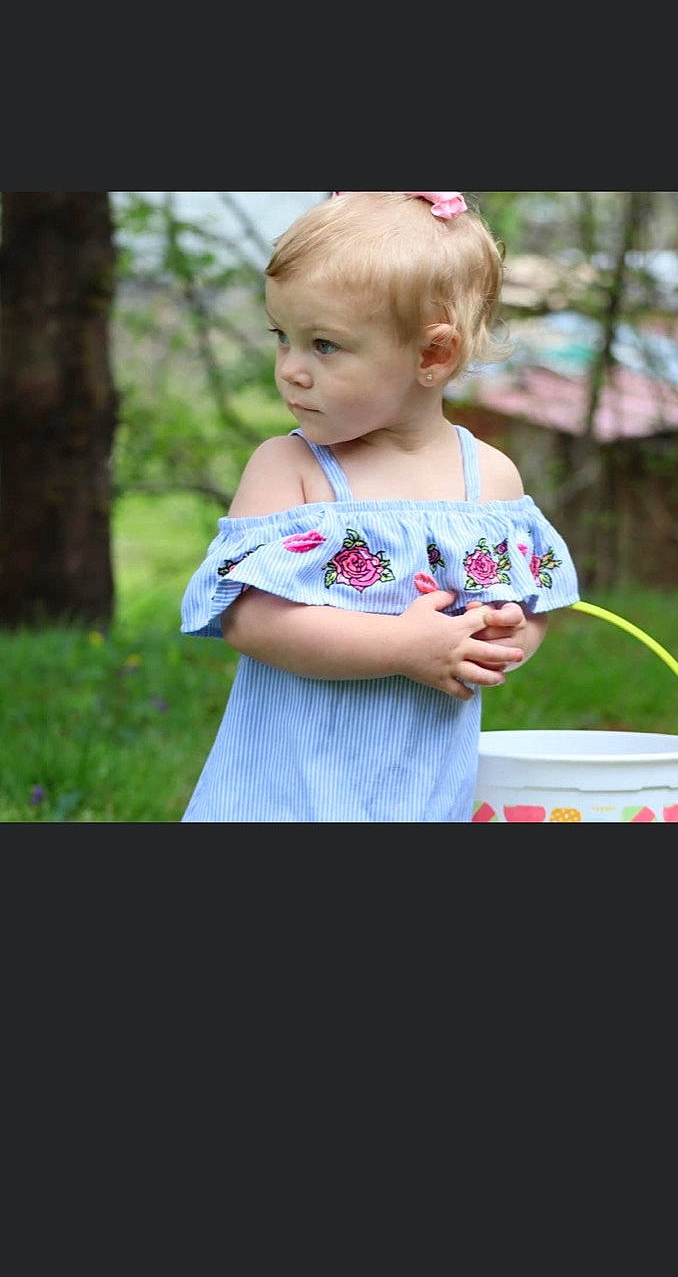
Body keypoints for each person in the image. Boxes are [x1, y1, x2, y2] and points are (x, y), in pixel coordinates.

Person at [179, 190, 580, 822]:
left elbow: (532, 610)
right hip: (287, 796)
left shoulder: (490, 482)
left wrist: (504, 637)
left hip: (420, 791)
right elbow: (251, 622)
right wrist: (402, 646)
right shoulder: (294, 470)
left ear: (432, 355)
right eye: (283, 338)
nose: (292, 371)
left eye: (325, 345)